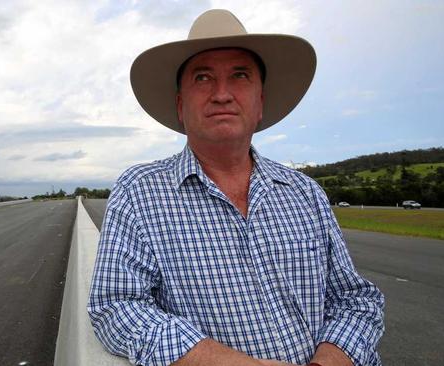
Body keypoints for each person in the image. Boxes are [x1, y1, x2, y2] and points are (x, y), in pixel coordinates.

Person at [87, 9, 384, 366]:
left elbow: (355, 300)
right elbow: (117, 305)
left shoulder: (305, 193)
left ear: (260, 103)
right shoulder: (140, 192)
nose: (222, 94)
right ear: (181, 106)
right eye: (202, 78)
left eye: (240, 76)